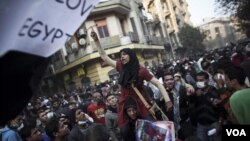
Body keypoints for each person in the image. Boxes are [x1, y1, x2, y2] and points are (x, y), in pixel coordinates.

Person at [90, 31, 172, 128]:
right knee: (125, 130)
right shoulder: (120, 66)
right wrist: (96, 40)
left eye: (124, 54)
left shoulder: (142, 71)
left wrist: (167, 100)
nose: (122, 57)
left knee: (150, 126)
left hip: (140, 103)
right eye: (121, 55)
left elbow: (158, 83)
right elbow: (104, 56)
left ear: (131, 56)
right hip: (125, 103)